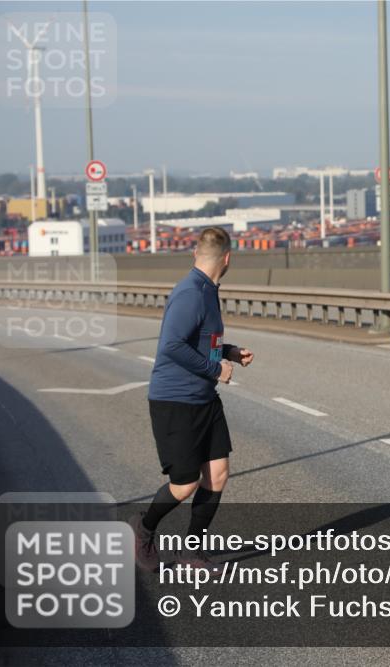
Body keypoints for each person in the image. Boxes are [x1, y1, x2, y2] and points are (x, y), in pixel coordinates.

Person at [131, 227, 254, 571]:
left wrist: (228, 351)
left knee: (217, 474)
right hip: (175, 401)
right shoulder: (190, 293)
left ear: (196, 254)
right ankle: (144, 528)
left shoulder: (207, 289)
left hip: (204, 399)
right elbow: (172, 345)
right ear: (227, 258)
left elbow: (198, 339)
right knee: (184, 485)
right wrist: (216, 369)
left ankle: (191, 552)